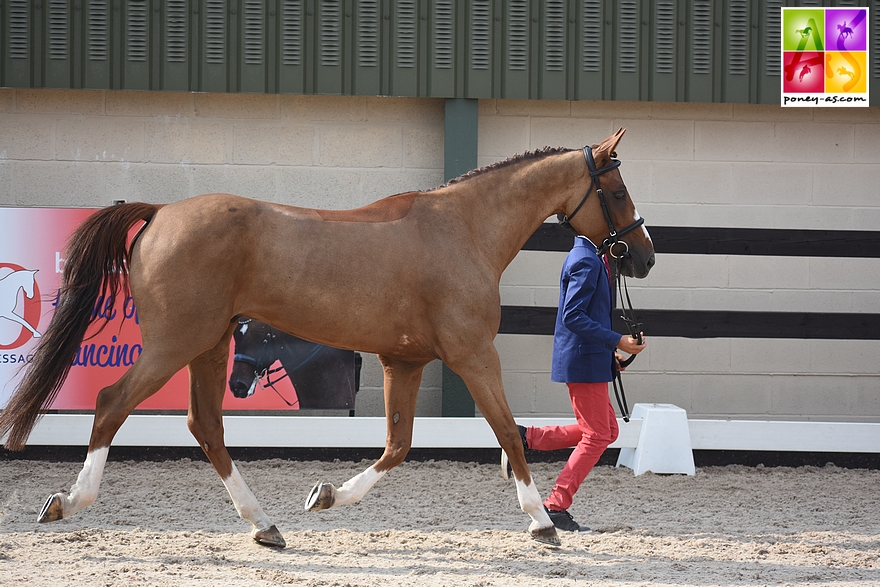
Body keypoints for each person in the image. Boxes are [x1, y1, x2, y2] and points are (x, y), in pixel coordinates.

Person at [505, 233, 646, 533]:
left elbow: (591, 316)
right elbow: (573, 316)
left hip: (592, 359)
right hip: (583, 360)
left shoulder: (595, 257)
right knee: (597, 436)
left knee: (606, 431)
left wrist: (611, 355)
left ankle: (524, 438)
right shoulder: (585, 259)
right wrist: (617, 339)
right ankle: (555, 505)